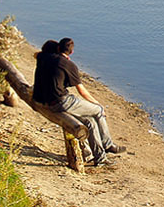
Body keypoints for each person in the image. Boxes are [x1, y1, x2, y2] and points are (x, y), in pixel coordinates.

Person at [32, 38, 125, 166]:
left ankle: (100, 158)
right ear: (71, 52)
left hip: (45, 101)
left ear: (58, 49)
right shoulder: (68, 65)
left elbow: (36, 54)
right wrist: (98, 104)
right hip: (62, 102)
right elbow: (82, 92)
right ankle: (108, 145)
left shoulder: (44, 57)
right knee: (98, 111)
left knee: (90, 122)